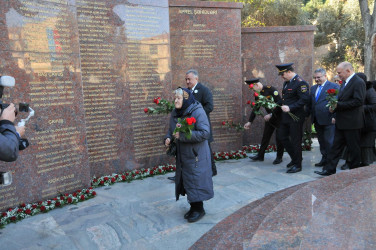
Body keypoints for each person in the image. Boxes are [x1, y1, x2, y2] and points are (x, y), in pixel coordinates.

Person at [164, 88, 214, 223]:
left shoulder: (197, 111)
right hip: (183, 154)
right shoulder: (176, 112)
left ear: (185, 99)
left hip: (195, 154)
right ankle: (193, 208)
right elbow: (171, 130)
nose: (175, 101)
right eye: (175, 98)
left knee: (196, 180)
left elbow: (205, 133)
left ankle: (199, 209)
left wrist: (183, 136)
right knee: (188, 181)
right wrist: (168, 138)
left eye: (178, 99)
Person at [315, 62, 366, 176]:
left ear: (348, 71)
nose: (338, 75)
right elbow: (341, 100)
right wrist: (334, 109)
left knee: (353, 149)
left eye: (339, 73)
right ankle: (329, 170)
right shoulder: (344, 83)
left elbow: (358, 101)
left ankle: (355, 172)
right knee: (335, 147)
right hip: (341, 122)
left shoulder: (358, 82)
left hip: (352, 123)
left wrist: (339, 105)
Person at [275, 63, 310, 173]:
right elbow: (285, 99)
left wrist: (290, 107)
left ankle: (298, 165)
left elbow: (304, 99)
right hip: (286, 117)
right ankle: (295, 158)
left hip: (296, 117)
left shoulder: (301, 83)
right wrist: (274, 105)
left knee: (295, 140)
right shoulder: (287, 83)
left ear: (289, 72)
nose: (282, 77)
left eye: (283, 74)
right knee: (282, 136)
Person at [243, 78, 284, 164]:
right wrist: (250, 121)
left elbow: (280, 103)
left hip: (279, 117)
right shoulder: (258, 94)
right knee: (265, 137)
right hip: (269, 119)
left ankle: (279, 157)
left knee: (279, 138)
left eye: (252, 88)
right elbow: (256, 108)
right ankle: (260, 155)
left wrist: (271, 114)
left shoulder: (271, 89)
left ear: (256, 85)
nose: (252, 90)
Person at [306, 68, 338, 167]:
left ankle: (330, 162)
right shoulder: (313, 88)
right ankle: (324, 159)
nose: (316, 79)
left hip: (329, 119)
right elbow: (311, 104)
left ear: (325, 76)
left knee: (329, 142)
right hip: (317, 120)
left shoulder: (334, 86)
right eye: (315, 77)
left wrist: (334, 116)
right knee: (322, 142)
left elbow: (336, 103)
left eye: (318, 77)